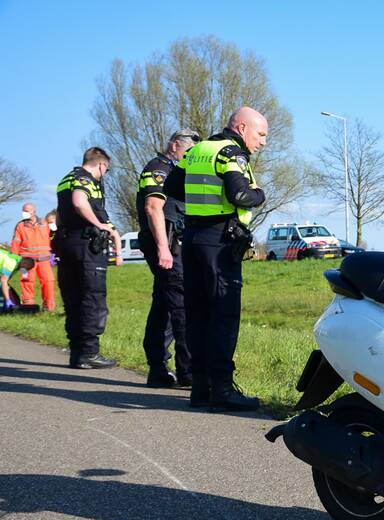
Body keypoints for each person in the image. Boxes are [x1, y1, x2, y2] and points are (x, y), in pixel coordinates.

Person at [164, 107, 267, 412]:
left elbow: (170, 187)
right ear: (243, 127)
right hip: (219, 242)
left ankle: (200, 389)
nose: (262, 142)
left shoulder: (197, 151)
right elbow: (240, 195)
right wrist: (259, 193)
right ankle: (222, 389)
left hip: (193, 239)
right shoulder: (230, 153)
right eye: (260, 134)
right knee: (223, 315)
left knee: (198, 316)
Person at [137, 128, 200, 388]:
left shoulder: (175, 170)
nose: (189, 158)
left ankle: (158, 368)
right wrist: (163, 248)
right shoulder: (158, 168)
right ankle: (188, 371)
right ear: (175, 146)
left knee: (163, 303)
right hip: (166, 245)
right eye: (187, 152)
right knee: (181, 304)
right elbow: (153, 207)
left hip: (173, 243)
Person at [55, 147, 122, 369]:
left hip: (67, 243)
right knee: (92, 298)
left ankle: (77, 353)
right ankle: (90, 353)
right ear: (101, 165)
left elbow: (62, 211)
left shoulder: (66, 178)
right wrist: (99, 224)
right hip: (86, 245)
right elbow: (78, 201)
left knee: (73, 298)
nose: (105, 175)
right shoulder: (85, 180)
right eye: (106, 170)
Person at [11, 203, 56, 311]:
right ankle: (28, 307)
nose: (24, 213)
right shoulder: (20, 226)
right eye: (24, 210)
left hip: (44, 260)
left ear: (34, 212)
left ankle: (49, 308)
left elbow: (54, 236)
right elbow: (15, 243)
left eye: (27, 211)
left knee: (48, 282)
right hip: (26, 261)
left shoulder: (45, 224)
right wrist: (14, 259)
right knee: (26, 281)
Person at [0, 246, 34, 312]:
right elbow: (3, 281)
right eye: (25, 269)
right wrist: (8, 300)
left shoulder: (20, 260)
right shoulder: (11, 263)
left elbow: (24, 274)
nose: (24, 271)